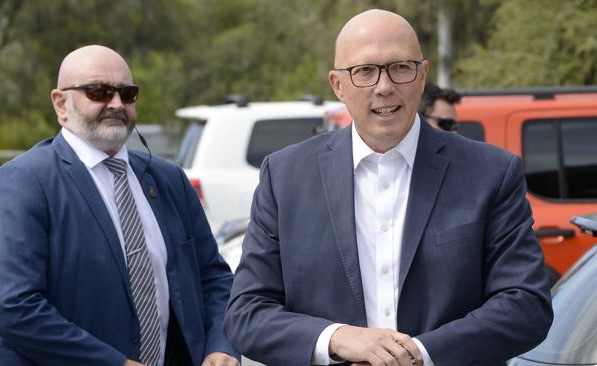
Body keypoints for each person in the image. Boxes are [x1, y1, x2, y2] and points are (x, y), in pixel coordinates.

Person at [224, 9, 552, 366]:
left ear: (422, 75)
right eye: (364, 71)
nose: (384, 86)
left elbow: (526, 304)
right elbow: (247, 313)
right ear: (337, 85)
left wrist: (418, 355)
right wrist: (338, 338)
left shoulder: (491, 172)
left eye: (400, 67)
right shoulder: (285, 176)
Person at [0, 45, 239, 366]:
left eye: (127, 93)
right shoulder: (24, 181)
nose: (116, 104)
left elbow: (213, 278)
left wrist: (221, 346)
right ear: (61, 103)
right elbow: (14, 307)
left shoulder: (168, 179)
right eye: (99, 92)